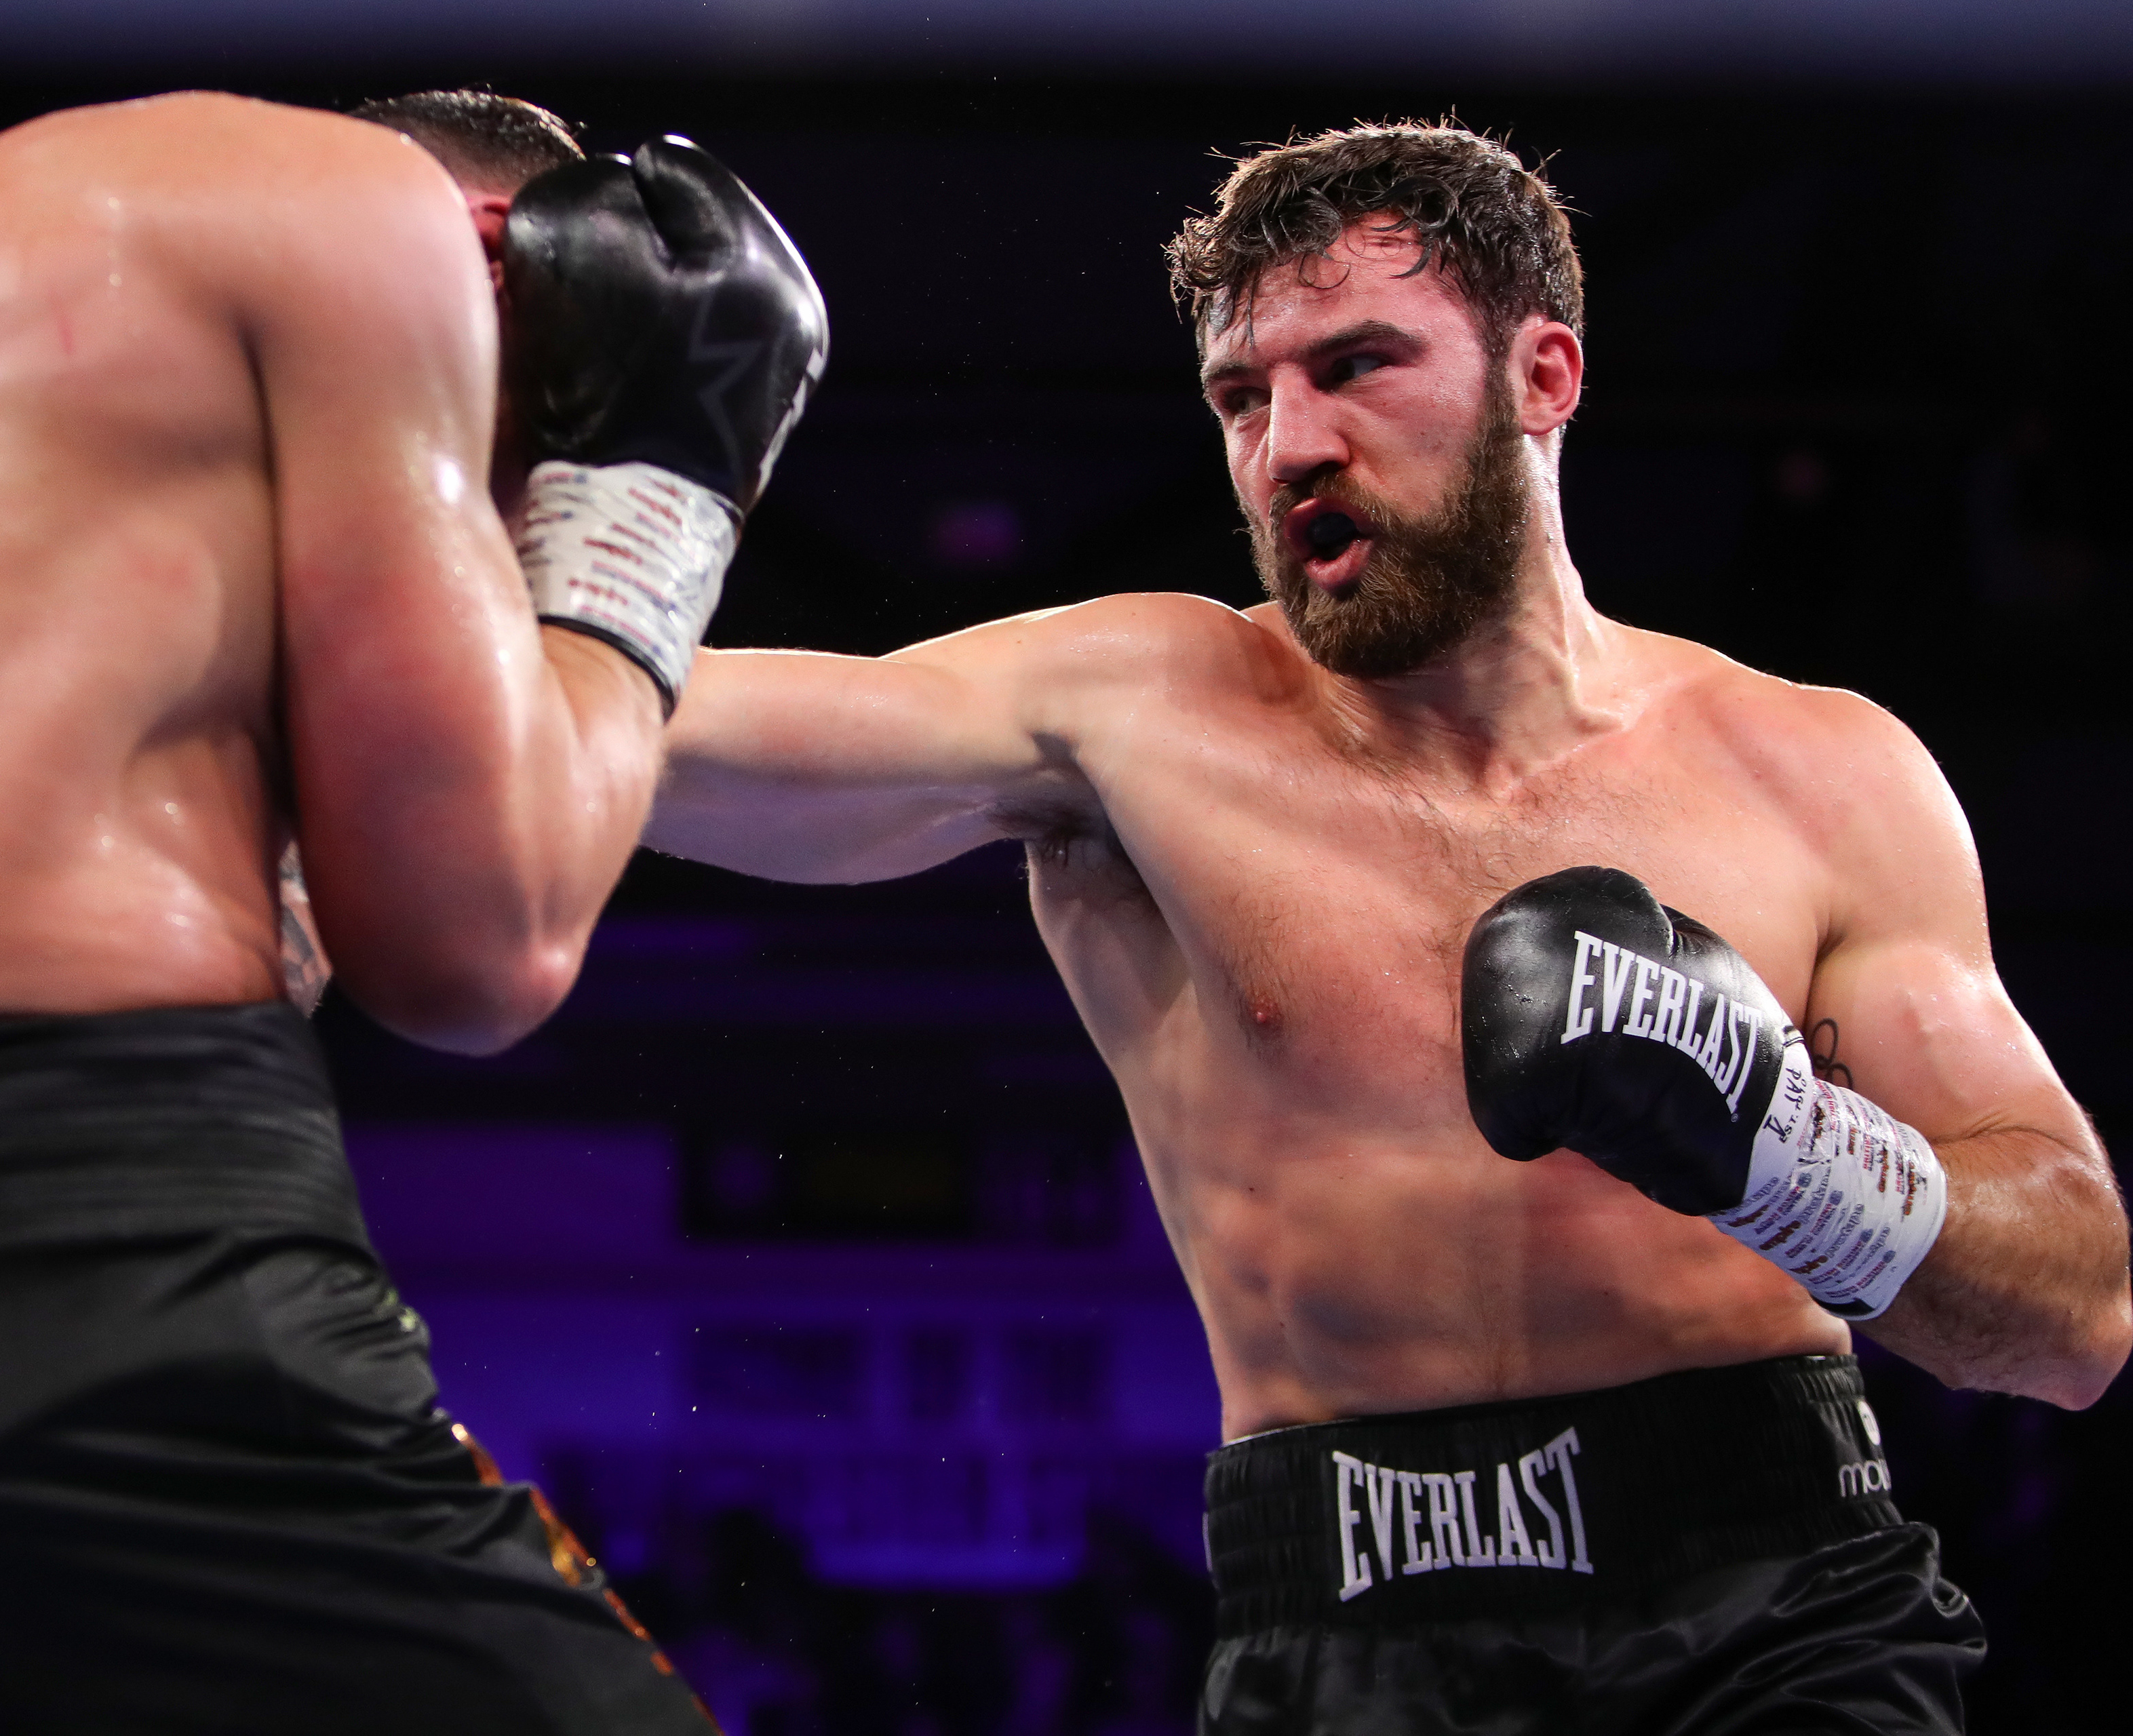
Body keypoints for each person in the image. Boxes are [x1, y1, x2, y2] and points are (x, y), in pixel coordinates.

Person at [644, 122, 2129, 1733]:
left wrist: (1780, 1146)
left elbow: (2071, 1316)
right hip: (1353, 1628)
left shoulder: (1817, 770)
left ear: (1543, 375)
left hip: (1785, 1610)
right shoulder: (1135, 715)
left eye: (1356, 363)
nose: (1289, 444)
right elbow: (643, 737)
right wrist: (551, 502)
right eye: (1240, 396)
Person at [0, 87, 824, 1734]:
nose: (497, 552)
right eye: (508, 478)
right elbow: (481, 945)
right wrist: (661, 482)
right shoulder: (376, 228)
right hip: (82, 1301)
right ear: (502, 267)